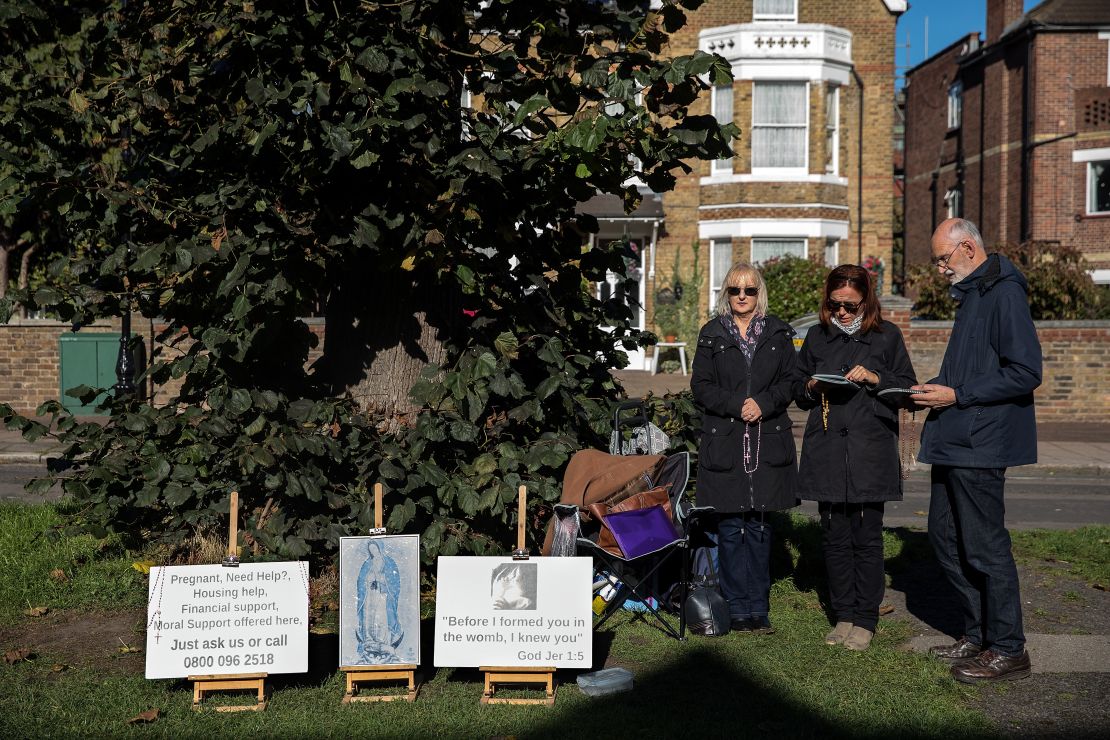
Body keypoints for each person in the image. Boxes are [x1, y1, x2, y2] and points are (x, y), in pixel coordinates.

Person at [914, 218, 1042, 683]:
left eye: (943, 259)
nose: (941, 269)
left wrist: (957, 394)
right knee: (945, 539)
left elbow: (1025, 371)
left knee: (986, 547)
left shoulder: (1005, 293)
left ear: (968, 248)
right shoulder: (973, 295)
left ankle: (1010, 648)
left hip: (981, 444)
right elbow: (970, 371)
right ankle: (979, 633)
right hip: (955, 440)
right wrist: (936, 388)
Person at [794, 265, 917, 651]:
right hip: (828, 448)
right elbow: (797, 391)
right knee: (833, 536)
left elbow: (908, 388)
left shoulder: (887, 336)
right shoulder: (816, 335)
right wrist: (812, 386)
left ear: (867, 300)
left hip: (870, 451)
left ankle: (865, 618)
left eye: (850, 305)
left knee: (866, 537)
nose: (842, 313)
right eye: (835, 305)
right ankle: (843, 614)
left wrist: (877, 377)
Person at [691, 262, 798, 634]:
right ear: (726, 292)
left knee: (760, 526)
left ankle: (759, 607)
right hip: (727, 441)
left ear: (759, 293)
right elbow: (701, 387)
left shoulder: (779, 333)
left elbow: (792, 382)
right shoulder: (711, 334)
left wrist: (764, 404)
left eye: (749, 290)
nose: (741, 296)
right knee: (731, 526)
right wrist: (737, 404)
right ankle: (736, 608)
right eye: (735, 289)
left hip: (767, 441)